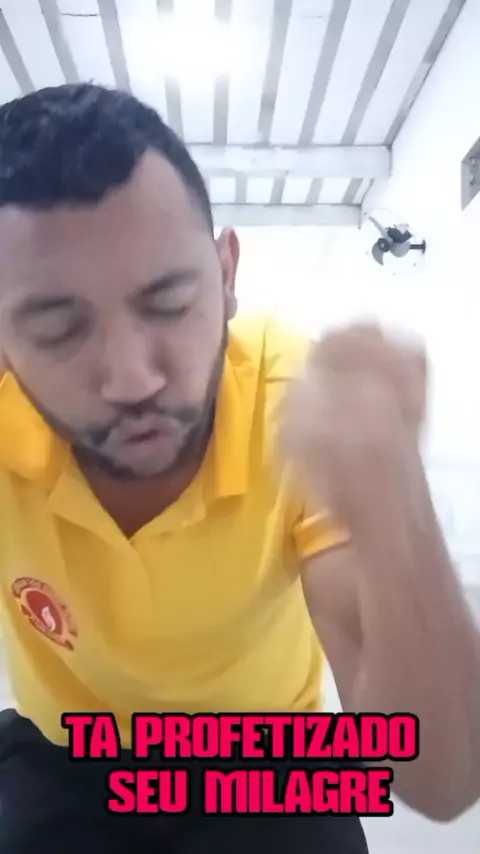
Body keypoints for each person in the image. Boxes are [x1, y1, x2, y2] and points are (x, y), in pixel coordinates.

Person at [0, 84, 478, 854]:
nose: (132, 378)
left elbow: (443, 780)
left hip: (268, 755)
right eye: (58, 330)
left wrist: (399, 509)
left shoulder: (294, 402)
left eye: (167, 303)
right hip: (67, 751)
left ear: (226, 275)